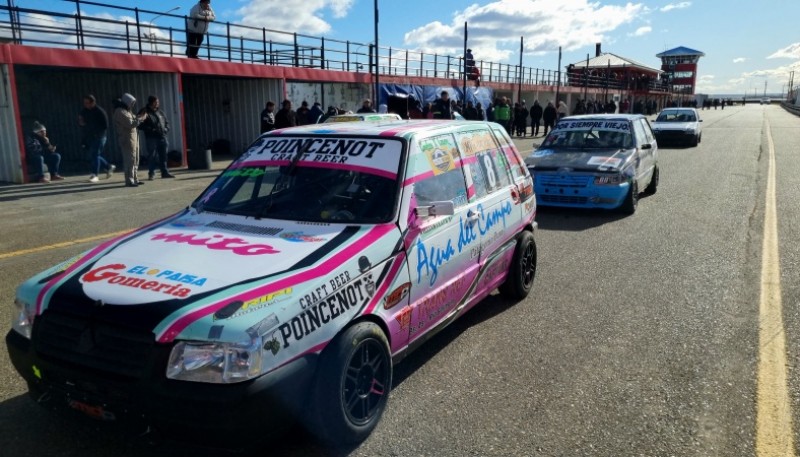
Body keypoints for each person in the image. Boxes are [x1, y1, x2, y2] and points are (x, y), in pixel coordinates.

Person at [78, 94, 114, 183]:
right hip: (89, 137)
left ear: (93, 102)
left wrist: (95, 130)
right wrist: (80, 122)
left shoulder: (100, 111)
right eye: (84, 103)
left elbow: (105, 125)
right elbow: (81, 121)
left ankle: (95, 175)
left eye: (87, 103)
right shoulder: (84, 111)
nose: (85, 104)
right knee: (95, 155)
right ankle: (108, 166)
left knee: (94, 155)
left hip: (100, 137)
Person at [138, 95, 175, 180]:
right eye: (156, 102)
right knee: (152, 156)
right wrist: (151, 130)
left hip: (162, 137)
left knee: (164, 155)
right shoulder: (144, 111)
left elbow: (166, 122)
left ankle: (164, 172)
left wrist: (166, 129)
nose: (158, 103)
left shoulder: (160, 112)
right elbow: (139, 125)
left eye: (158, 102)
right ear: (151, 102)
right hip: (151, 138)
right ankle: (151, 173)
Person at [113, 93, 147, 187]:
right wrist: (140, 119)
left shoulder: (127, 111)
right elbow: (130, 123)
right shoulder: (120, 111)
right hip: (127, 139)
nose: (132, 105)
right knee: (129, 160)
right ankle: (129, 180)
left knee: (135, 159)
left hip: (133, 138)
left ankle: (135, 178)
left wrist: (138, 117)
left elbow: (133, 121)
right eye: (131, 103)